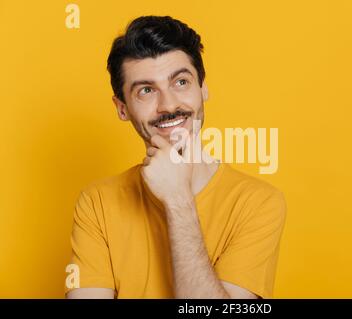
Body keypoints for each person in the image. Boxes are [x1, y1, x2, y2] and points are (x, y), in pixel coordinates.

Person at [65, 15, 286, 299]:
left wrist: (178, 199)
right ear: (122, 108)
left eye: (181, 82)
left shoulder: (258, 203)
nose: (168, 104)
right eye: (146, 90)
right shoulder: (96, 203)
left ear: (203, 87)